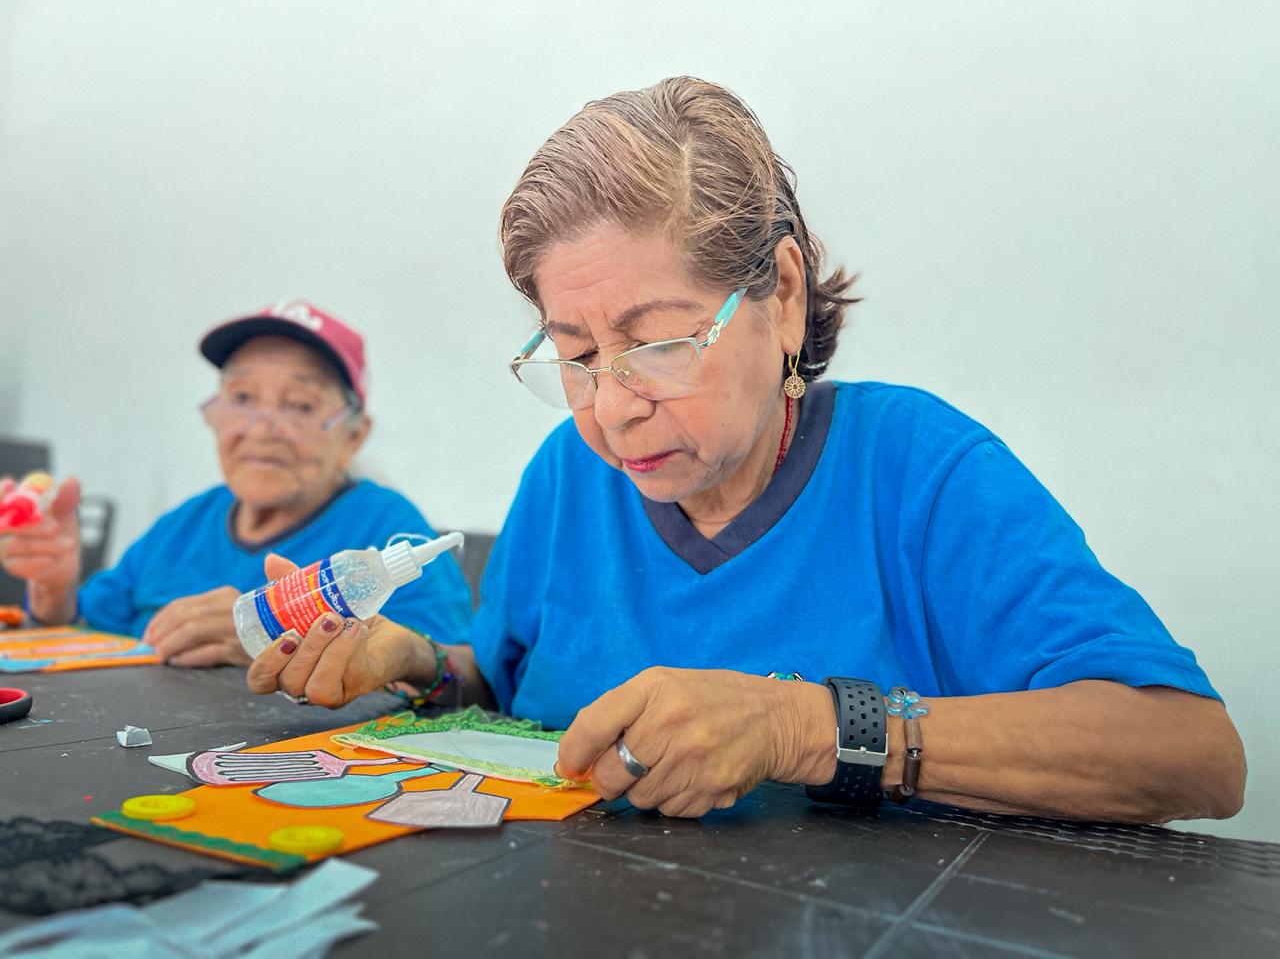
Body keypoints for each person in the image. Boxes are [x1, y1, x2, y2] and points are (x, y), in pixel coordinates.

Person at [246, 79, 1245, 824]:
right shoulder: (566, 475)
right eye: (575, 356)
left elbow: (1189, 752)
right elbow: (512, 692)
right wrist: (419, 664)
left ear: (783, 294)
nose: (613, 410)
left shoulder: (914, 469)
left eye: (658, 344)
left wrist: (805, 728)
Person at [0, 300, 472, 666]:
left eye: (300, 405)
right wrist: (53, 588)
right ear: (214, 414)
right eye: (242, 397)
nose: (261, 429)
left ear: (354, 435)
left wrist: (266, 636)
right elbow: (85, 633)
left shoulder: (389, 531)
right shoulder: (185, 523)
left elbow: (448, 680)